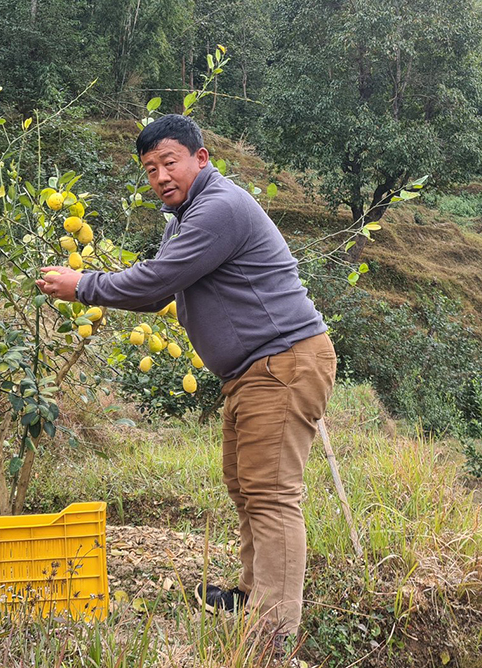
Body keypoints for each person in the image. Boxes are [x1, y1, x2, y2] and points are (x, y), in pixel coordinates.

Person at [35, 114, 337, 652]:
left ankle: (272, 634)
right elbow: (158, 293)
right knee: (246, 488)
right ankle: (253, 594)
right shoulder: (184, 216)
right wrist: (97, 287)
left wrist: (84, 285)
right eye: (150, 169)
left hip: (282, 365)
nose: (160, 176)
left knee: (271, 496)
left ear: (201, 158)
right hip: (255, 371)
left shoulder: (218, 208)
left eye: (168, 162)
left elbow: (157, 278)